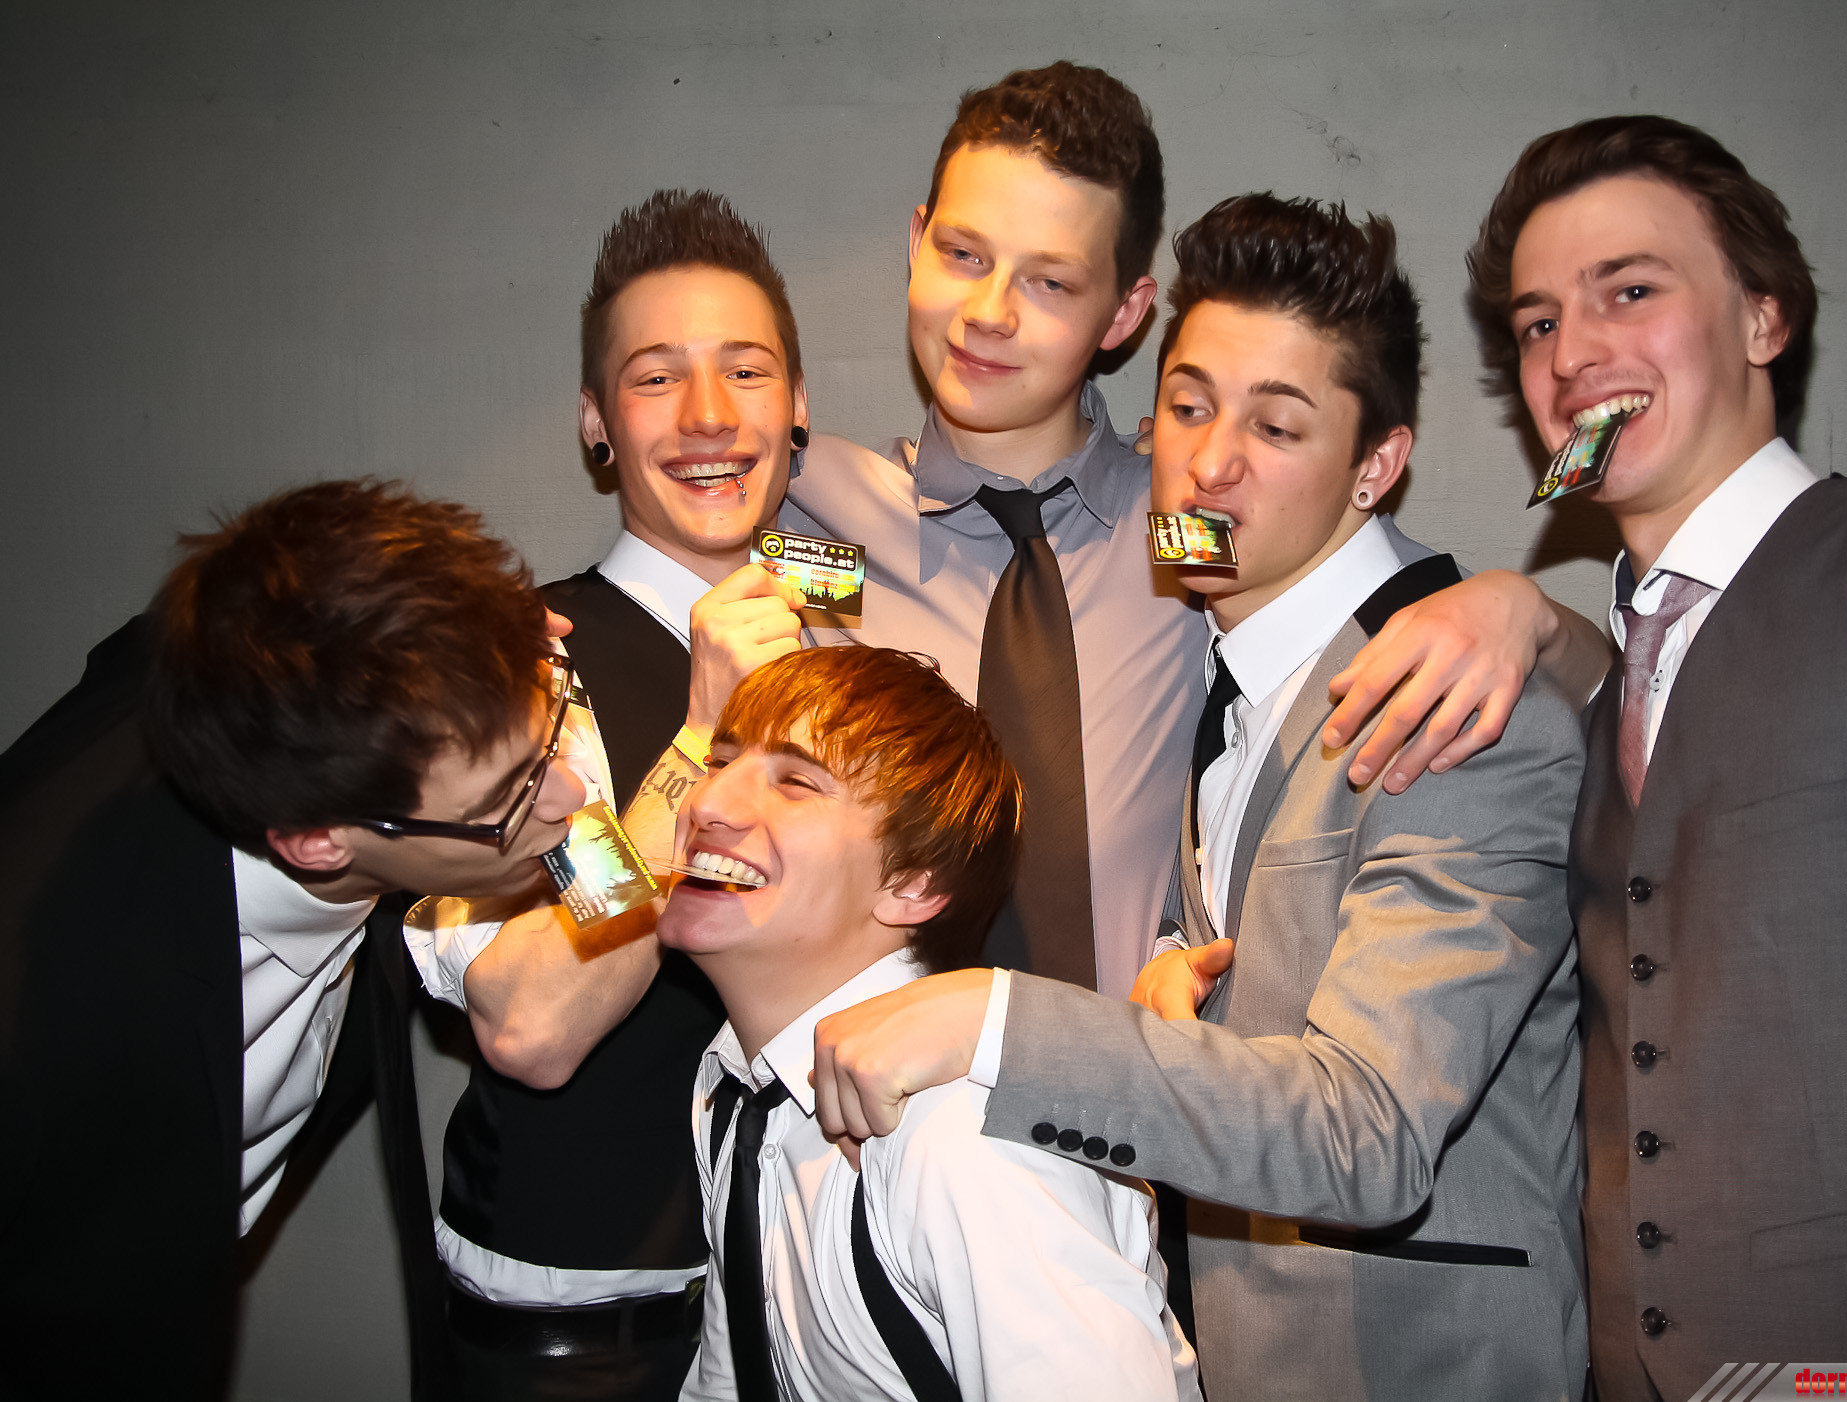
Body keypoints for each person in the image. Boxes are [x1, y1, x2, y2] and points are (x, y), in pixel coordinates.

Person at [809, 195, 1589, 1400]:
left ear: (1377, 465)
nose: (1209, 462)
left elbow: (1367, 1135)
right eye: (1186, 406)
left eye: (1276, 426)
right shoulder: (1235, 654)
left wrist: (995, 1019)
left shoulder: (1449, 706)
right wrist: (1180, 958)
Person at [1454, 114, 1847, 1391]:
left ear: (1762, 318)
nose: (1572, 354)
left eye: (1629, 291)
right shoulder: (1603, 690)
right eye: (1537, 323)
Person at [783, 61, 1611, 1001]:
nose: (988, 314)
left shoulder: (1184, 525)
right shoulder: (813, 517)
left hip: (1144, 1077)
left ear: (1125, 313)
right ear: (916, 242)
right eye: (964, 255)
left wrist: (1522, 609)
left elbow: (1372, 591)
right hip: (878, 1078)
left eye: (1050, 281)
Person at [0, 479, 587, 1401]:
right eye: (506, 799)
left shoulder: (262, 688)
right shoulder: (50, 1034)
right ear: (318, 843)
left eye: (545, 739)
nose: (570, 797)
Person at [405, 189, 812, 1400]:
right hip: (586, 1348)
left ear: (797, 406)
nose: (709, 413)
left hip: (795, 1314)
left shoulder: (846, 658)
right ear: (597, 422)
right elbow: (533, 1020)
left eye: (746, 370)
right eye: (656, 377)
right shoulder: (522, 671)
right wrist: (697, 737)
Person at [659, 646, 1198, 1401]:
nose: (707, 802)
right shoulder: (732, 1088)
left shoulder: (962, 1139)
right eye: (719, 763)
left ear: (912, 883)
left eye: (796, 782)